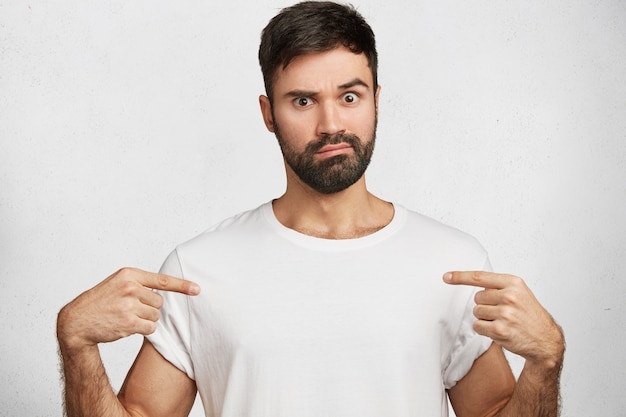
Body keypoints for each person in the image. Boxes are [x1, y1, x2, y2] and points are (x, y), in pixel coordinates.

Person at [56, 2, 565, 416]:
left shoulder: (451, 263)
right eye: (302, 101)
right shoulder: (198, 270)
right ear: (268, 114)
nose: (330, 125)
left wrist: (545, 363)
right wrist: (76, 344)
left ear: (376, 101)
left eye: (349, 96)